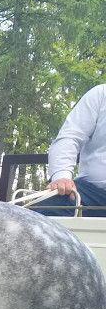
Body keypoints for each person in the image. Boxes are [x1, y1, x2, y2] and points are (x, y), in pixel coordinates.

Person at [35, 84, 106, 216]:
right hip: (93, 194)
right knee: (46, 207)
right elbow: (70, 137)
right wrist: (62, 178)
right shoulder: (101, 94)